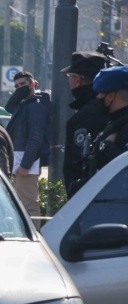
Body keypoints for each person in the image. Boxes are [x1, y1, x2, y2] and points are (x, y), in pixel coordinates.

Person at [71, 65, 128, 193]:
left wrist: (106, 147)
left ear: (111, 96)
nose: (98, 98)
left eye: (101, 93)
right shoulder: (112, 124)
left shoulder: (122, 127)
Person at [61, 51, 110, 197]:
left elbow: (78, 165)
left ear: (76, 79)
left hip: (88, 198)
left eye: (70, 77)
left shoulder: (86, 115)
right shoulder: (108, 107)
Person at [4, 71, 50, 223]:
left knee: (29, 204)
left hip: (26, 162)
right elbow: (9, 107)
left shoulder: (36, 105)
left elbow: (35, 137)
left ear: (33, 84)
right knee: (19, 203)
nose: (19, 88)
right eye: (16, 86)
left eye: (23, 84)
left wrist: (25, 164)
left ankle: (34, 237)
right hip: (18, 159)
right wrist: (20, 93)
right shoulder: (23, 105)